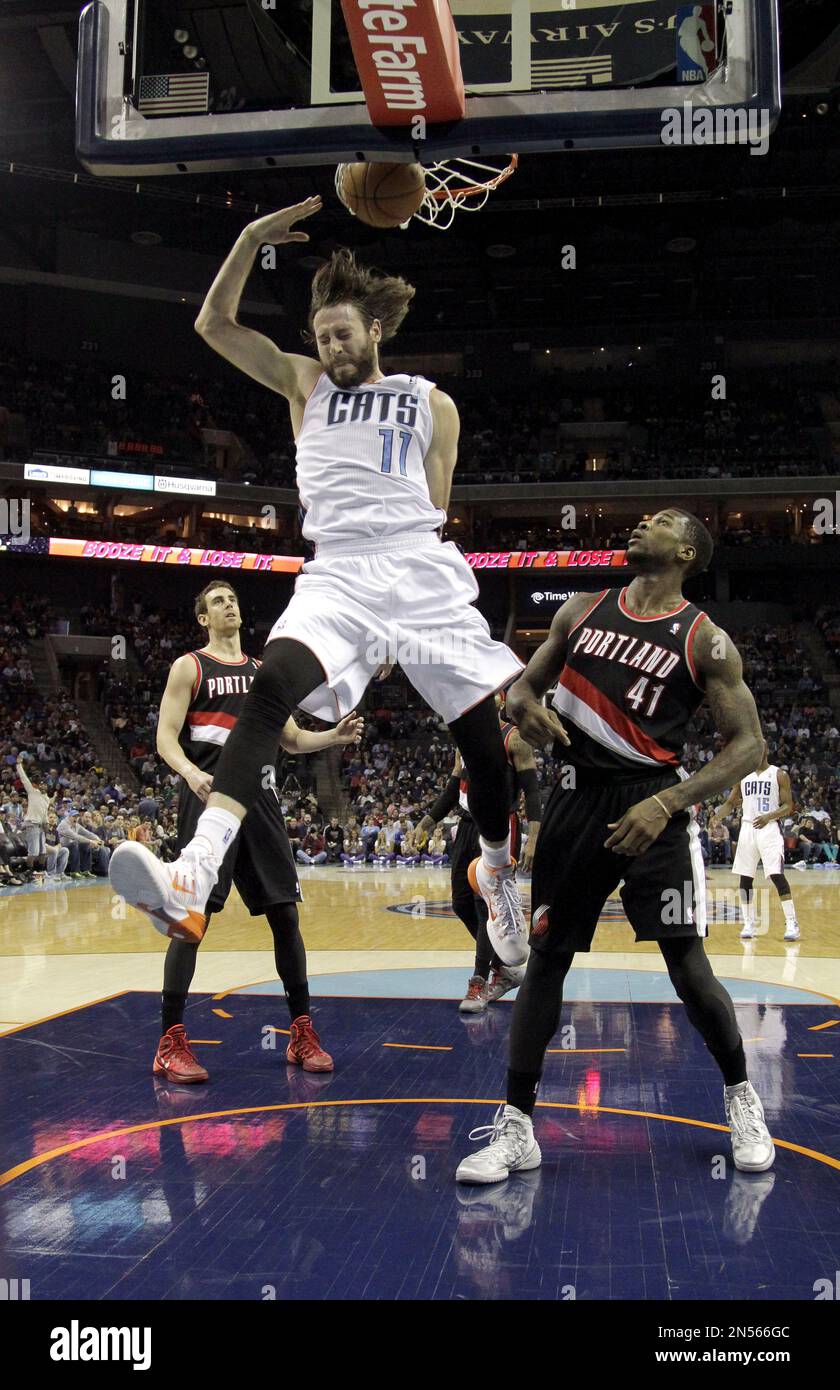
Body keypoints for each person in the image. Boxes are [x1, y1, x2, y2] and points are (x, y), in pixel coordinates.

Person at [108, 198, 527, 960]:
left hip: (416, 564)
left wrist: (398, 625)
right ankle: (192, 875)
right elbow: (214, 325)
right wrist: (248, 239)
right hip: (336, 571)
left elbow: (436, 504)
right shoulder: (306, 385)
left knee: (482, 740)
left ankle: (496, 872)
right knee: (270, 686)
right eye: (323, 335)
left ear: (376, 330)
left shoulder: (431, 404)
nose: (332, 345)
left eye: (344, 333)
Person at [456, 510, 775, 1184]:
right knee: (547, 959)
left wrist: (666, 804)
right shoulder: (581, 609)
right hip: (575, 803)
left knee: (687, 964)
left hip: (654, 805)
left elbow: (750, 746)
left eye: (660, 523)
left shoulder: (705, 640)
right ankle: (516, 1128)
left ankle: (742, 1099)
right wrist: (523, 707)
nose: (641, 525)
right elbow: (521, 691)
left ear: (686, 552)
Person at [118, 580, 362, 1084]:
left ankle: (301, 1031)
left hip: (262, 797)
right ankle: (170, 1041)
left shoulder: (262, 671)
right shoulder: (190, 666)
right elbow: (165, 738)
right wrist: (190, 774)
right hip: (209, 794)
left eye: (232, 599)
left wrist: (332, 736)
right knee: (191, 917)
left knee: (285, 914)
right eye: (217, 601)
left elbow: (291, 739)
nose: (228, 605)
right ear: (203, 618)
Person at [417, 700, 542, 1013]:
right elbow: (453, 787)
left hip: (499, 826)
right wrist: (428, 821)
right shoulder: (464, 738)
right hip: (466, 825)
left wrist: (534, 837)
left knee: (484, 906)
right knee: (461, 902)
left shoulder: (514, 738)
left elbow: (532, 791)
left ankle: (479, 982)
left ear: (499, 702)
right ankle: (503, 966)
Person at [711, 742, 799, 941]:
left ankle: (792, 922)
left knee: (776, 874)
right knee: (745, 878)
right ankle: (749, 923)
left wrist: (769, 816)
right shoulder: (743, 775)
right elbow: (730, 803)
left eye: (759, 748)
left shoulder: (779, 774)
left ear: (766, 751)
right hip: (748, 828)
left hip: (769, 828)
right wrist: (717, 816)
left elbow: (788, 806)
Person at [15, 754, 54, 877]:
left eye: (45, 784)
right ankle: (28, 871)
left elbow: (44, 814)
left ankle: (39, 871)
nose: (43, 786)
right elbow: (24, 778)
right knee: (33, 852)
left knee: (43, 853)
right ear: (37, 785)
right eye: (41, 784)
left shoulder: (46, 798)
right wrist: (19, 765)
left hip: (41, 826)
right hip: (32, 824)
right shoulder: (32, 792)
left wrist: (46, 824)